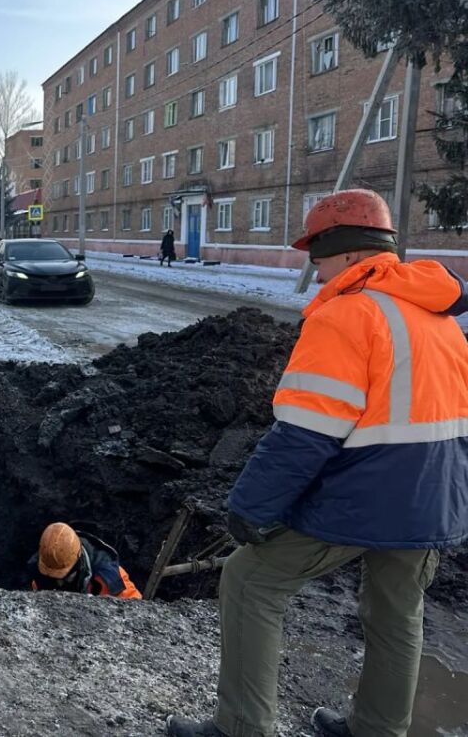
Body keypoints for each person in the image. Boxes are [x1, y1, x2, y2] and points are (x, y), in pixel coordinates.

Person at [167, 189, 468, 737]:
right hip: (434, 490)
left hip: (367, 489)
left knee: (249, 580)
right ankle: (378, 729)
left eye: (317, 252)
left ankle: (241, 727)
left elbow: (308, 433)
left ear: (348, 251)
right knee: (397, 612)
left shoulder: (348, 313)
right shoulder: (437, 316)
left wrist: (252, 505)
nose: (314, 265)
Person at [27, 522, 142, 599]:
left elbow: (134, 610)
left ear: (78, 562)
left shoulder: (109, 578)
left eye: (65, 577)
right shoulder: (43, 567)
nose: (59, 583)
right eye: (53, 577)